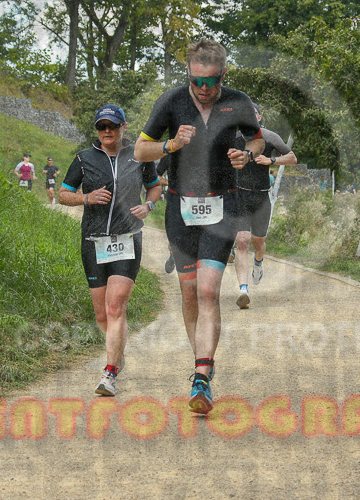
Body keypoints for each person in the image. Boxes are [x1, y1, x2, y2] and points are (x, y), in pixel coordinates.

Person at [134, 39, 263, 415]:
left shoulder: (237, 101)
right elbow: (141, 150)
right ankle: (201, 369)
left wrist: (247, 155)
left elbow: (255, 140)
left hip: (223, 206)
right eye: (196, 81)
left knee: (208, 292)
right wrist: (171, 144)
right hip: (181, 209)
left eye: (210, 82)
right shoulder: (172, 101)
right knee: (189, 295)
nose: (203, 89)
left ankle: (201, 377)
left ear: (223, 74)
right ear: (188, 74)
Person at [59, 104, 162, 397]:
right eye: (102, 127)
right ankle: (116, 352)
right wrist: (86, 197)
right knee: (102, 314)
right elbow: (63, 194)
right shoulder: (84, 158)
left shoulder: (139, 156)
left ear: (124, 127)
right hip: (93, 242)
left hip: (128, 238)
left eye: (113, 126)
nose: (107, 132)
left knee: (116, 306)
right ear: (97, 130)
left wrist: (149, 205)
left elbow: (155, 188)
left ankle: (110, 372)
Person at [232, 104, 297, 309]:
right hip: (239, 195)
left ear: (259, 116)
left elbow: (292, 158)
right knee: (242, 241)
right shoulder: (235, 138)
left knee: (258, 242)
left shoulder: (270, 137)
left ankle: (258, 263)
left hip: (261, 198)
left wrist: (271, 160)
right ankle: (243, 289)